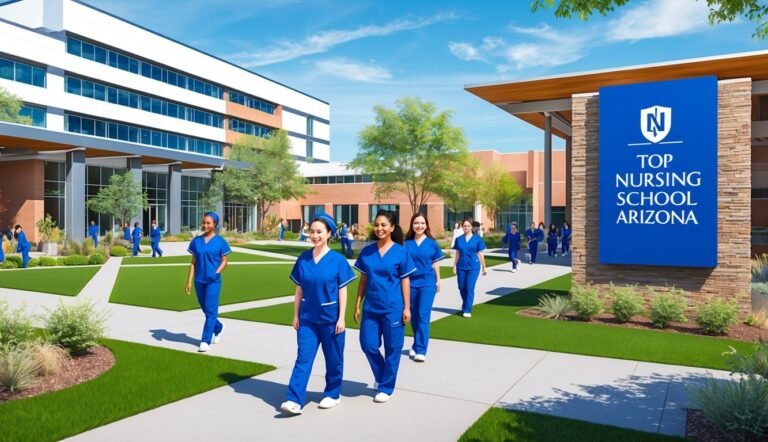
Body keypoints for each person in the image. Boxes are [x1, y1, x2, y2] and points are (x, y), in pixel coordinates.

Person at [280, 213, 357, 415]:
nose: (314, 235)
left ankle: (332, 394)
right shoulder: (303, 259)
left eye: (319, 232)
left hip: (331, 320)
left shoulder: (338, 261)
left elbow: (343, 290)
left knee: (334, 359)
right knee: (303, 358)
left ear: (329, 233)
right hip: (307, 319)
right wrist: (295, 315)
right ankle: (294, 400)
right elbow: (299, 290)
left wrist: (341, 318)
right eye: (312, 231)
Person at [353, 210, 416, 403]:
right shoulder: (367, 251)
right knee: (368, 345)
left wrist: (407, 307)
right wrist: (357, 304)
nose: (379, 228)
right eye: (377, 225)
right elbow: (363, 279)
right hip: (371, 308)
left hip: (393, 308)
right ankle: (382, 377)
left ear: (392, 228)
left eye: (384, 225)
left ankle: (386, 387)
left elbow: (405, 281)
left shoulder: (400, 252)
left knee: (393, 347)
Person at [185, 212, 231, 353]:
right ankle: (218, 327)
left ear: (215, 224)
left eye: (208, 223)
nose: (205, 225)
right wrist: (189, 281)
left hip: (213, 282)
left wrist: (216, 273)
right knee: (206, 310)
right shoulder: (196, 241)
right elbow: (193, 262)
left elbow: (225, 261)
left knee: (211, 311)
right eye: (204, 222)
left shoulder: (220, 242)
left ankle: (205, 341)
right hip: (199, 281)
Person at [404, 213, 444, 363]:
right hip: (410, 284)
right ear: (412, 225)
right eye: (416, 223)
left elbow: (435, 263)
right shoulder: (406, 243)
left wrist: (438, 280)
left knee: (423, 315)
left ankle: (421, 349)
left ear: (426, 225)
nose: (419, 226)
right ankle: (416, 342)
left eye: (422, 223)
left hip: (427, 283)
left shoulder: (432, 243)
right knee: (413, 315)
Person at [452, 218, 487, 318]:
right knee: (462, 287)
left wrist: (484, 267)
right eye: (464, 226)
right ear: (462, 227)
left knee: (469, 287)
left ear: (471, 227)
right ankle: (465, 304)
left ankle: (467, 309)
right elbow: (457, 253)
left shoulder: (477, 239)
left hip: (473, 267)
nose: (466, 227)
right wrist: (454, 265)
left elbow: (480, 253)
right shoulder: (459, 239)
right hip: (461, 266)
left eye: (468, 226)